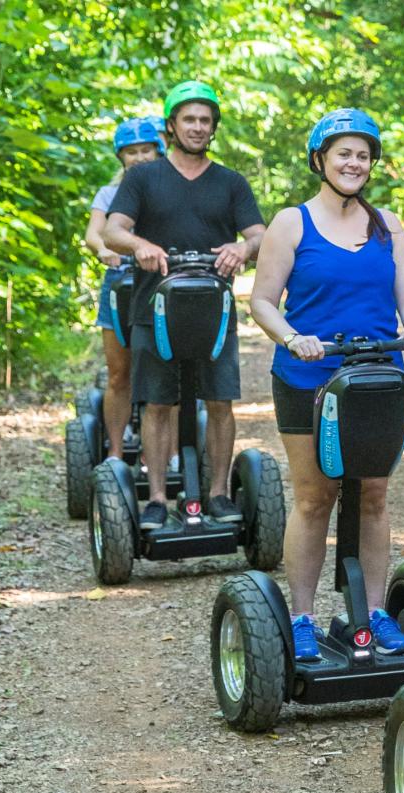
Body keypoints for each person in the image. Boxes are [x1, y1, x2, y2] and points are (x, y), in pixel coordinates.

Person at [250, 108, 404, 659]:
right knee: (315, 497)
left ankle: (373, 613)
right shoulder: (291, 222)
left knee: (372, 495)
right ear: (320, 160)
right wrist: (291, 337)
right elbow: (261, 300)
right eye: (344, 153)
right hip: (309, 377)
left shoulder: (388, 225)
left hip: (377, 379)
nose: (355, 163)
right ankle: (301, 618)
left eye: (363, 155)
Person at [103, 81, 266, 529]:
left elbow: (259, 234)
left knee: (219, 401)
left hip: (213, 313)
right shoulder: (142, 178)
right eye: (189, 119)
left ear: (213, 128)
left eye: (205, 120)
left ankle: (216, 495)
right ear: (171, 126)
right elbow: (113, 230)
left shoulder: (230, 182)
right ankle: (156, 498)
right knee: (156, 404)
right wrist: (140, 246)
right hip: (152, 310)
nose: (197, 127)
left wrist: (242, 249)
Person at [82, 117, 163, 459]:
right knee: (119, 374)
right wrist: (103, 250)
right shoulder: (110, 193)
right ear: (121, 157)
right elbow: (94, 234)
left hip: (160, 283)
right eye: (132, 152)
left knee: (162, 375)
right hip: (121, 282)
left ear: (158, 151)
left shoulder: (168, 189)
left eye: (146, 150)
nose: (140, 157)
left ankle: (159, 453)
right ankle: (115, 454)